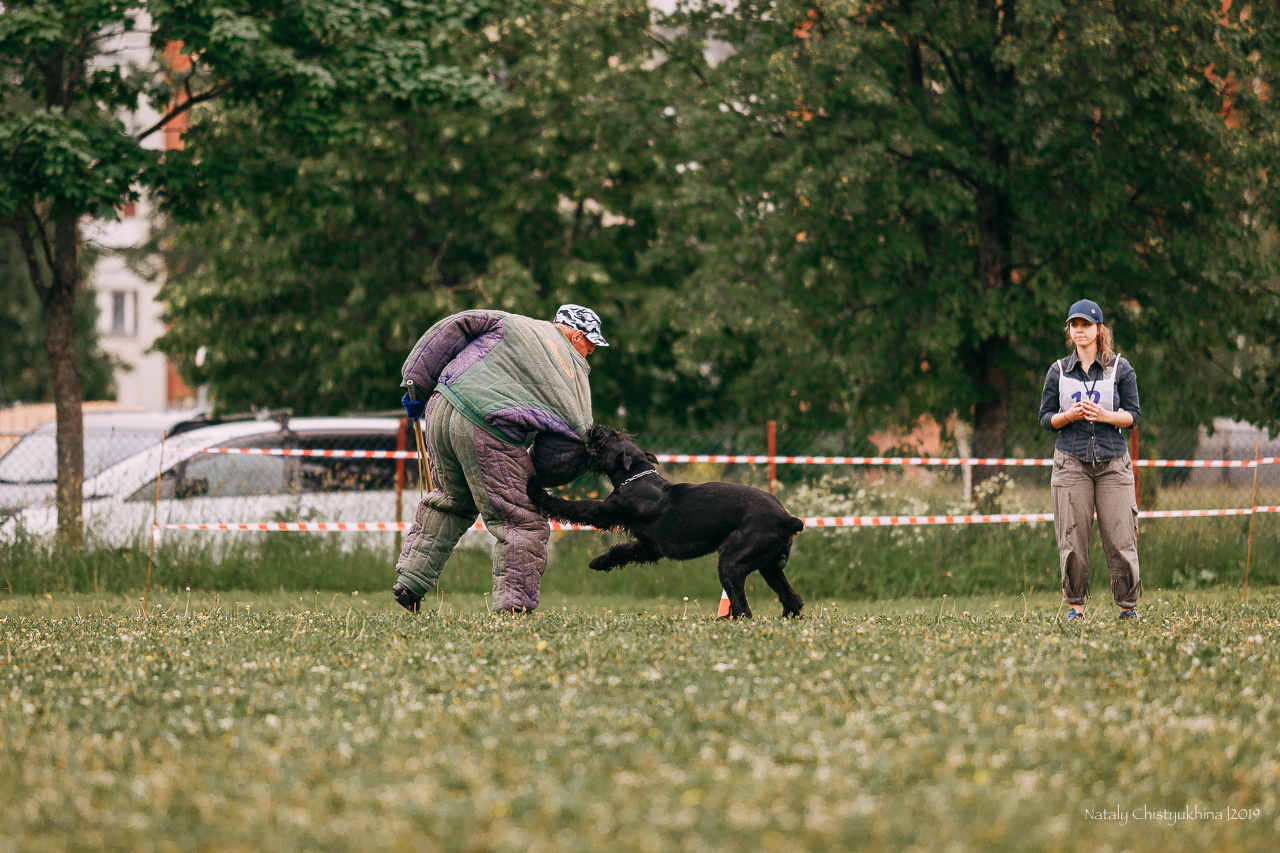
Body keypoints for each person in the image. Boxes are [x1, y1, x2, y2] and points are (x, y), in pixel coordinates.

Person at [392, 304, 606, 614]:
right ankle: (514, 608)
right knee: (524, 520)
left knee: (450, 500)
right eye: (592, 345)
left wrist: (416, 384)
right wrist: (535, 474)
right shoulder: (571, 368)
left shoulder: (515, 322)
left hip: (440, 406)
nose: (591, 354)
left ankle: (410, 581)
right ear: (576, 336)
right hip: (486, 425)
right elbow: (576, 441)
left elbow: (456, 325)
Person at [1038, 299, 1142, 622]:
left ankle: (1128, 608)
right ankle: (1075, 608)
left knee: (1121, 535)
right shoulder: (1058, 371)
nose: (1080, 330)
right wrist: (1067, 416)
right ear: (1070, 331)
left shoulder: (1120, 369)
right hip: (1071, 461)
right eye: (1074, 325)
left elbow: (1134, 416)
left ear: (1099, 329)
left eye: (1086, 325)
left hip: (1113, 461)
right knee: (1072, 537)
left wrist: (1106, 415)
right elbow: (1045, 418)